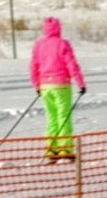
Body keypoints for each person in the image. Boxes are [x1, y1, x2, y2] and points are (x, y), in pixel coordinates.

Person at [29, 17, 86, 161]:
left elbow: (33, 67)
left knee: (51, 117)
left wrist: (36, 85)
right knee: (64, 117)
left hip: (45, 86)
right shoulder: (63, 44)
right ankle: (65, 150)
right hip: (61, 85)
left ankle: (51, 149)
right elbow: (72, 65)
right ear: (58, 28)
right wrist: (80, 83)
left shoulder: (39, 45)